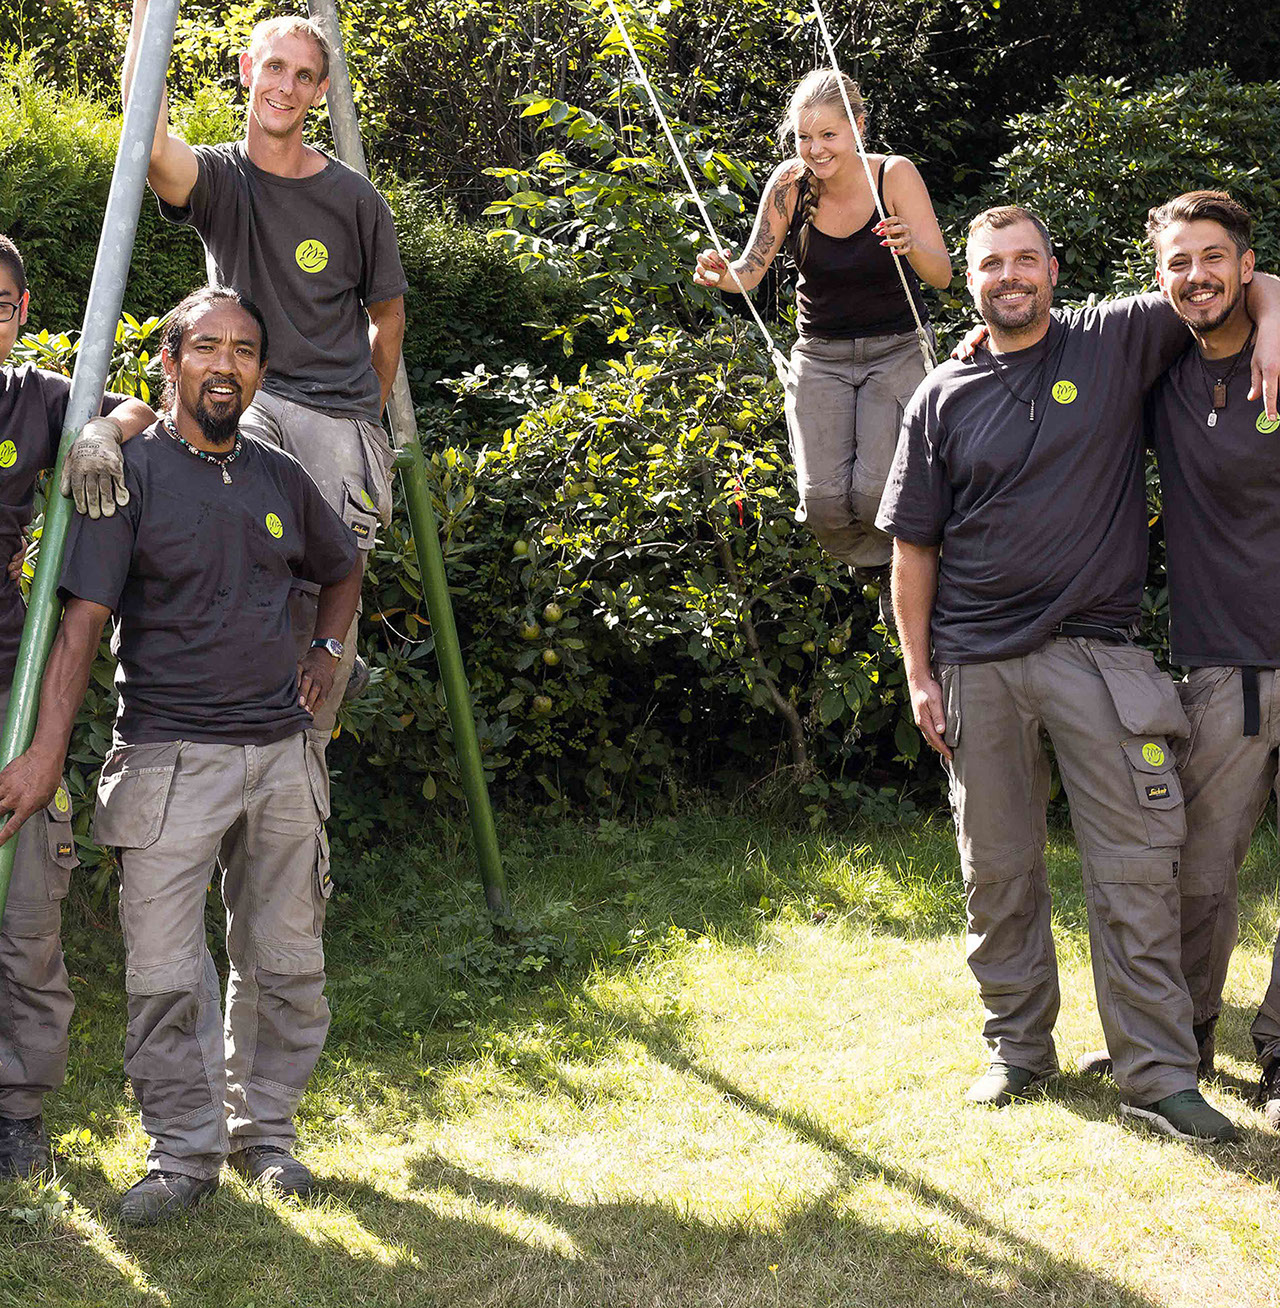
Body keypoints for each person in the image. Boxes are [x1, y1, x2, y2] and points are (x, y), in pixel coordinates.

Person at [877, 203, 1280, 1143]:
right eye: (990, 265)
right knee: (999, 871)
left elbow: (1222, 283)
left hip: (1101, 659)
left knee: (1139, 870)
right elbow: (913, 549)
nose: (1008, 277)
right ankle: (1017, 1051)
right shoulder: (940, 396)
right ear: (968, 279)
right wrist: (919, 671)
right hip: (975, 663)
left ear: (1055, 271)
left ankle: (1157, 1073)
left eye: (1026, 261)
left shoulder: (1112, 340)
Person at [0, 287, 362, 1224]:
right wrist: (45, 756)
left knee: (284, 960)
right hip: (166, 759)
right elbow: (80, 628)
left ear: (260, 371)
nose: (227, 366)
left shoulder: (278, 472)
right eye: (207, 348)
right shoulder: (128, 475)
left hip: (282, 758)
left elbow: (342, 563)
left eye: (245, 351)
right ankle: (184, 1156)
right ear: (168, 362)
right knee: (165, 976)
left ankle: (267, 1136)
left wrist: (326, 651)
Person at [121, 1, 407, 732]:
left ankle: (306, 753)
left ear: (319, 93)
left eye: (304, 75)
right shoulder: (221, 178)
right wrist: (147, 17)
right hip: (254, 399)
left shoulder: (355, 199)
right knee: (222, 544)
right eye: (275, 66)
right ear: (248, 71)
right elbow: (147, 141)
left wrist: (363, 416)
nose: (286, 84)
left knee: (318, 629)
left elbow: (388, 315)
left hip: (337, 415)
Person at [0, 235, 155, 1176]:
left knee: (24, 911)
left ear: (21, 311)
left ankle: (16, 1114)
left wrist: (99, 433)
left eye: (4, 302)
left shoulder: (37, 397)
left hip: (6, 677)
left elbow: (137, 403)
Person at [692, 69, 950, 605]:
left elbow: (942, 275)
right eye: (804, 137)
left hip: (897, 349)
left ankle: (903, 579)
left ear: (857, 127)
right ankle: (878, 569)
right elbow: (751, 271)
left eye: (828, 135)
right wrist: (723, 274)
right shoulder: (790, 183)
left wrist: (909, 243)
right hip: (821, 357)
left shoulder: (894, 176)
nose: (815, 149)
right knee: (824, 502)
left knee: (879, 492)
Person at [1139, 190, 1280, 1125]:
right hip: (1229, 663)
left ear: (1246, 262)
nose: (1199, 275)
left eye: (1215, 258)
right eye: (1179, 262)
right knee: (1201, 870)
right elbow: (1037, 339)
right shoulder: (1150, 371)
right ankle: (1182, 1039)